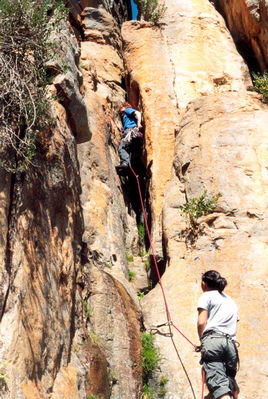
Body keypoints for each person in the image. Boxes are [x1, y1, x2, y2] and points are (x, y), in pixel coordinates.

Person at [197, 270, 239, 399]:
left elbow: (201, 322)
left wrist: (202, 341)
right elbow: (233, 325)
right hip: (230, 345)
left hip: (213, 341)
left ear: (204, 284)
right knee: (228, 385)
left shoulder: (206, 295)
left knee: (219, 386)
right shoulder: (231, 301)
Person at [116, 102, 143, 172]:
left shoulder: (127, 110)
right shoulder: (126, 116)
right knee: (131, 153)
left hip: (130, 132)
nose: (120, 110)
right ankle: (129, 169)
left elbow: (137, 113)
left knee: (122, 148)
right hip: (132, 133)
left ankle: (125, 164)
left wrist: (138, 123)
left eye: (121, 108)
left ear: (124, 107)